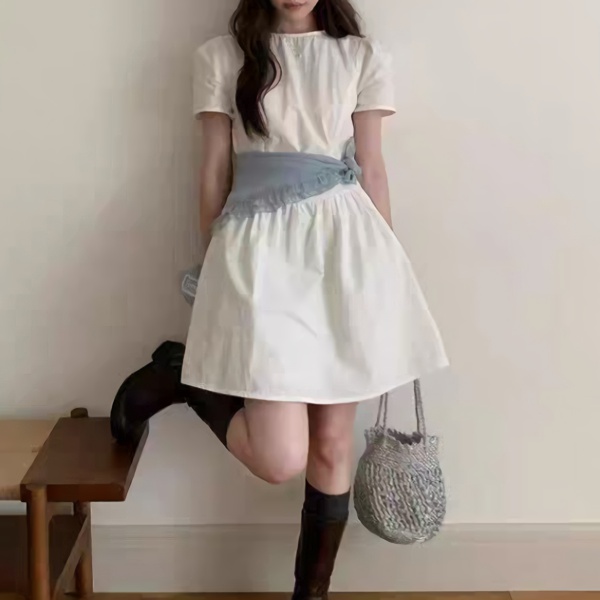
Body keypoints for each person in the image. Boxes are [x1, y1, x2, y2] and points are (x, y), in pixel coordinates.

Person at [111, 0, 448, 597]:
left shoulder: (361, 56)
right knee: (279, 458)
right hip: (259, 254)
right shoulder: (222, 57)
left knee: (333, 444)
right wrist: (214, 269)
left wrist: (387, 277)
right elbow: (214, 171)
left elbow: (372, 168)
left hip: (344, 252)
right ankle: (182, 379)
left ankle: (309, 593)